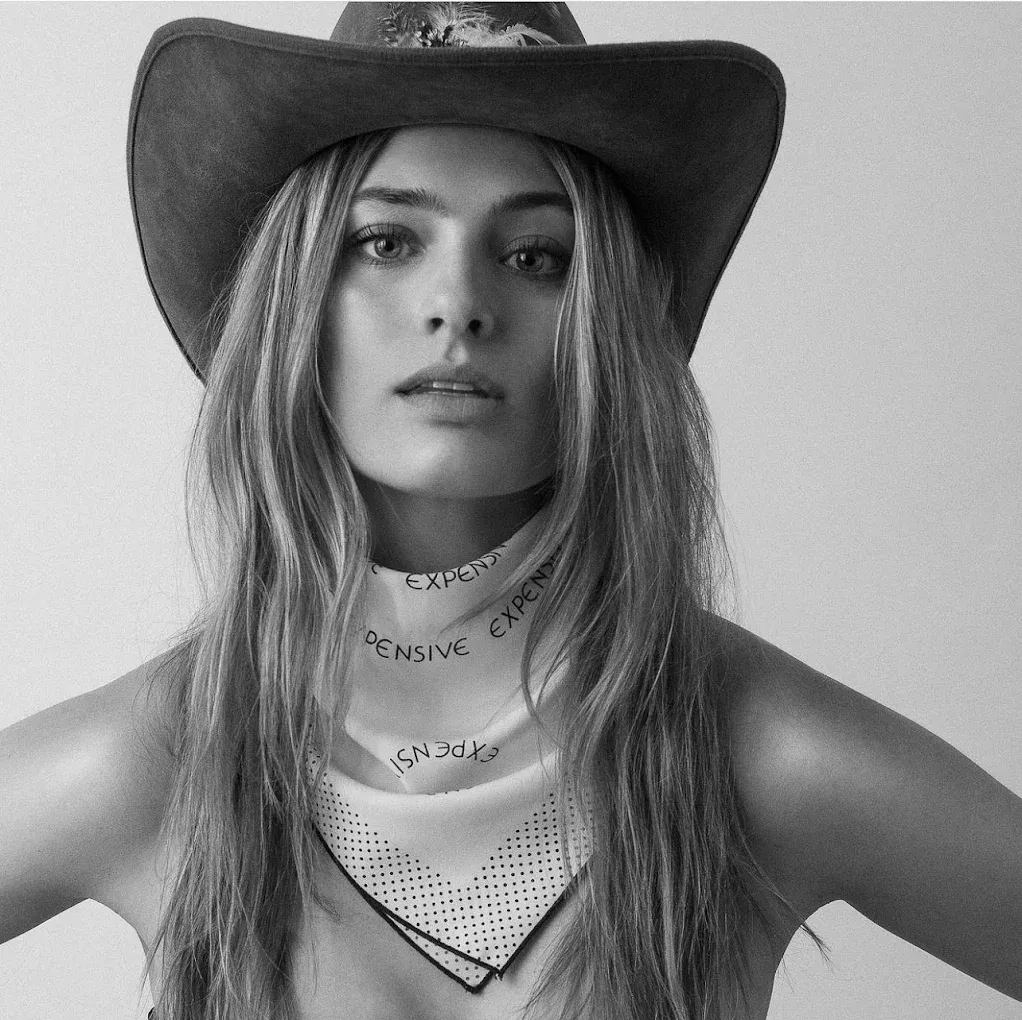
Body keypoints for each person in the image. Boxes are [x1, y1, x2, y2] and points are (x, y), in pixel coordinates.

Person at [2, 4, 1020, 1020]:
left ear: (607, 322)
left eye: (536, 255)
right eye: (386, 239)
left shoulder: (761, 755)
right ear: (293, 299)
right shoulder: (146, 766)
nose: (459, 304)